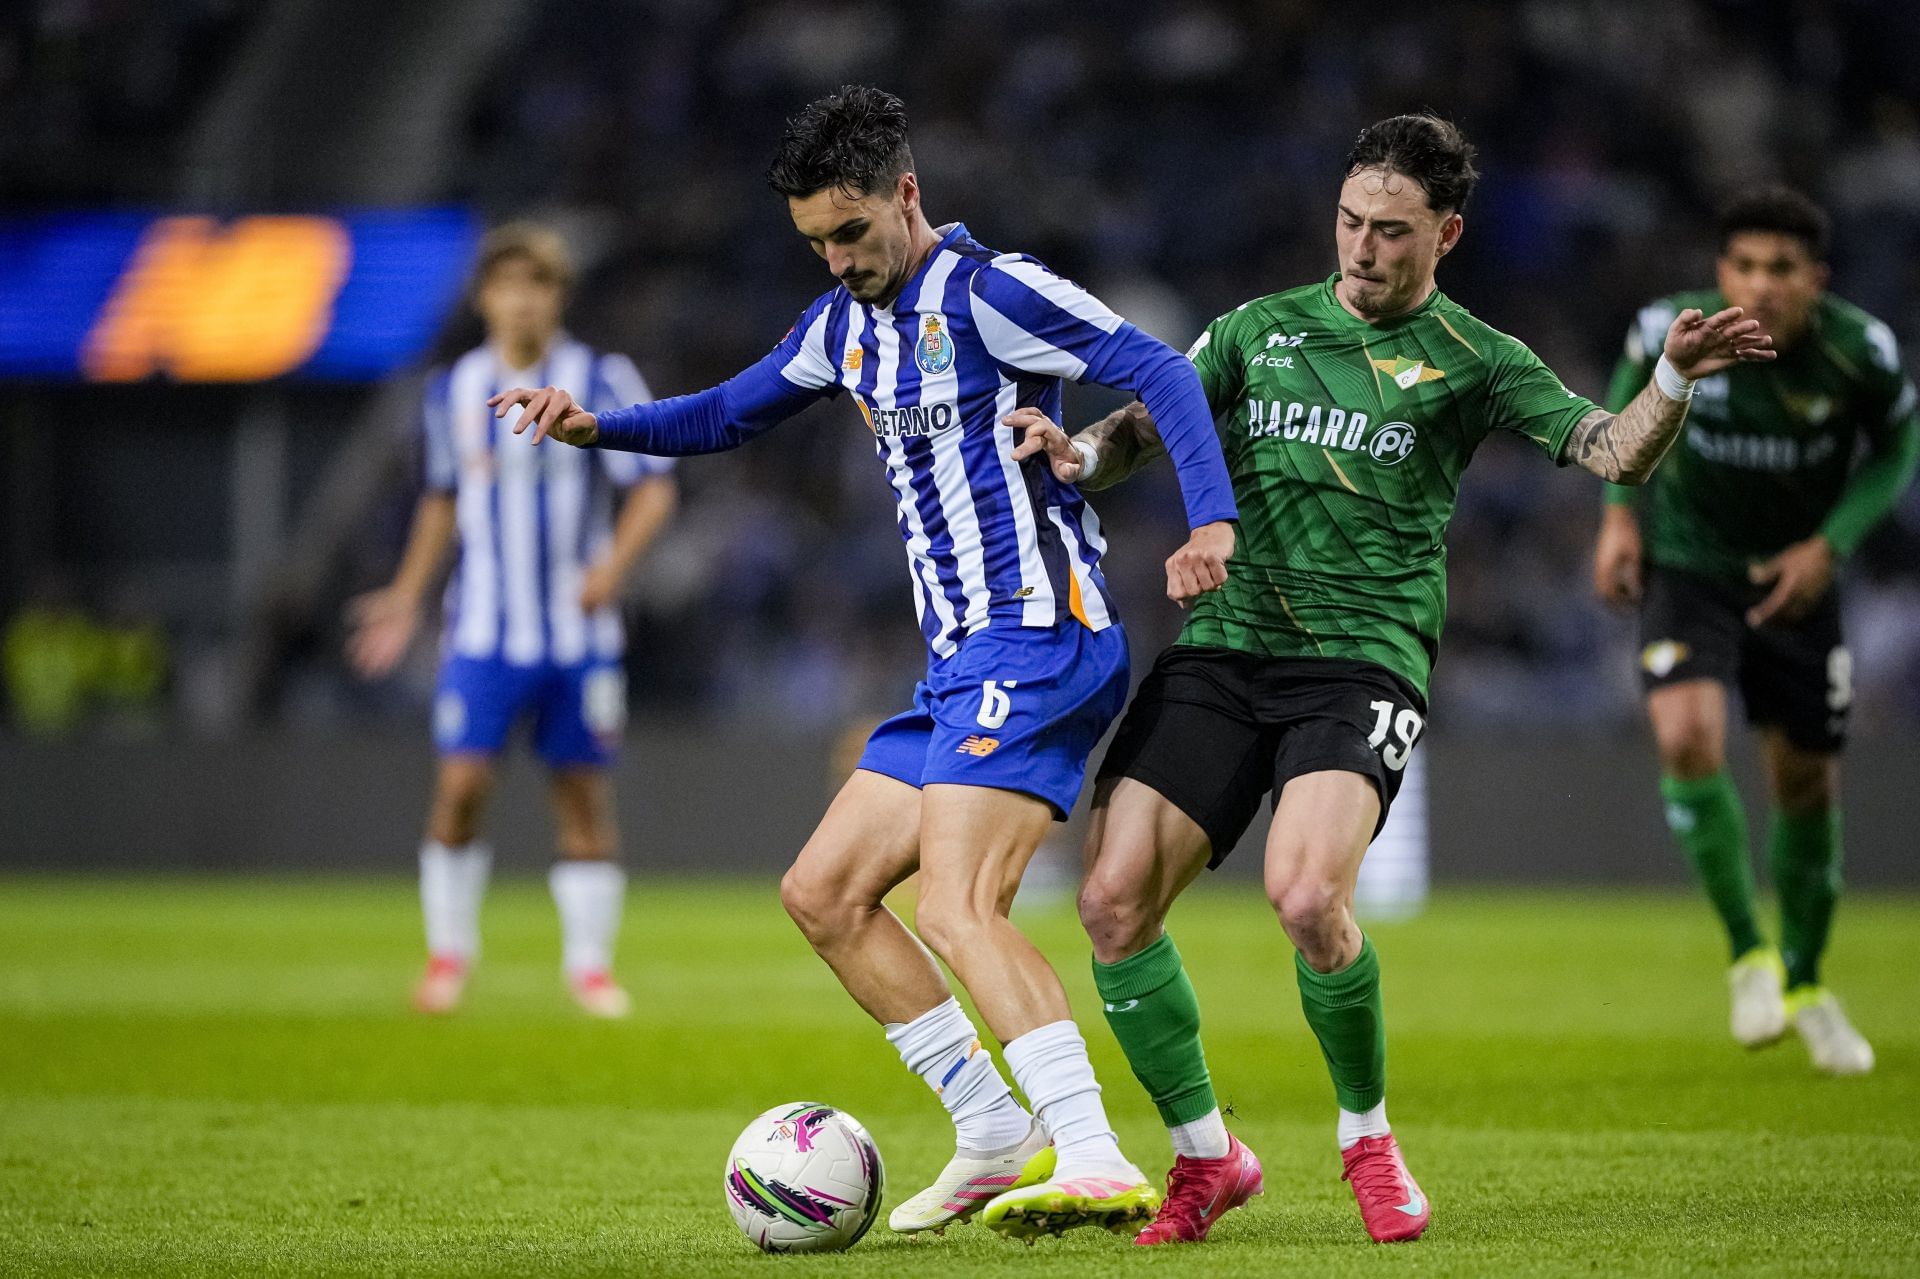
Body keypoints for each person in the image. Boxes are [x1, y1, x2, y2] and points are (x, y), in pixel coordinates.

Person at [1009, 114, 1774, 1246]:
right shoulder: (1259, 331)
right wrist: (1083, 459)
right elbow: (1149, 422)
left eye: (1391, 232)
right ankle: (1205, 1158)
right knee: (1111, 903)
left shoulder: (1476, 359)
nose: (1361, 249)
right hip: (1224, 648)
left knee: (1309, 898)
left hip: (1361, 657)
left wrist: (1672, 376)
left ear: (1447, 234)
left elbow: (1612, 450)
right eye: (1350, 223)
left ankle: (1367, 1135)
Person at [491, 85, 1240, 1242]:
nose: (839, 260)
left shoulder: (993, 290)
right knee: (824, 892)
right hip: (958, 663)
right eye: (815, 242)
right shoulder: (840, 328)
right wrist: (600, 428)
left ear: (907, 194)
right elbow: (727, 414)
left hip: (1044, 636)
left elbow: (1164, 372)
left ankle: (1091, 1151)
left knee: (956, 901)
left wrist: (1210, 523)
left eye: (852, 232)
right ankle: (992, 1132)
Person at [1592, 188, 1918, 1076]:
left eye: (1783, 269)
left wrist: (1831, 544)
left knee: (1805, 784)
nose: (1762, 285)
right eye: (1745, 266)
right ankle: (1749, 953)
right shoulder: (1676, 327)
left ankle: (1809, 984)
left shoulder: (1861, 353)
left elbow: (1898, 445)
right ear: (1721, 270)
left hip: (1796, 581)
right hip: (1690, 567)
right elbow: (1629, 396)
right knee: (1688, 736)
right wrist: (1620, 516)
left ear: (1817, 279)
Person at [349, 224, 678, 1019]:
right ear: (485, 296)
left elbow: (655, 484)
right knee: (462, 784)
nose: (523, 299)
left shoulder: (600, 374)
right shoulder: (453, 390)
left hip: (578, 634)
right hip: (484, 631)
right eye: (507, 284)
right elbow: (441, 500)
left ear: (557, 296)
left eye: (538, 284)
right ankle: (449, 954)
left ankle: (590, 968)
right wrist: (404, 594)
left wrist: (612, 569)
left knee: (581, 792)